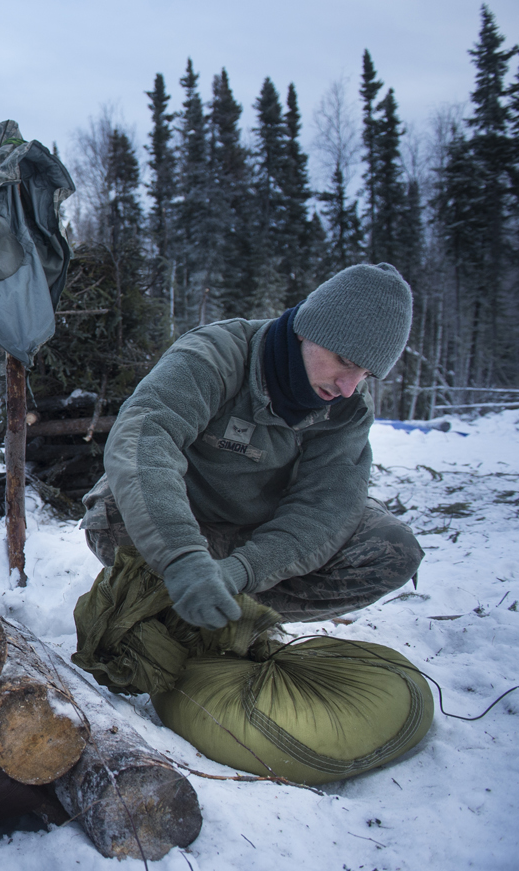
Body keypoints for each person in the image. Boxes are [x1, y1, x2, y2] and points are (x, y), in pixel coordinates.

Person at [81, 262, 424, 628]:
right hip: (189, 521)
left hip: (264, 535)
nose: (349, 386)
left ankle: (226, 617)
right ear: (307, 331)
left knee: (393, 549)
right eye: (346, 361)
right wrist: (181, 555)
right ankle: (185, 599)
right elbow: (145, 440)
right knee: (110, 519)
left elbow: (326, 508)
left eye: (366, 374)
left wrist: (243, 571)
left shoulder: (348, 408)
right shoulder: (216, 355)